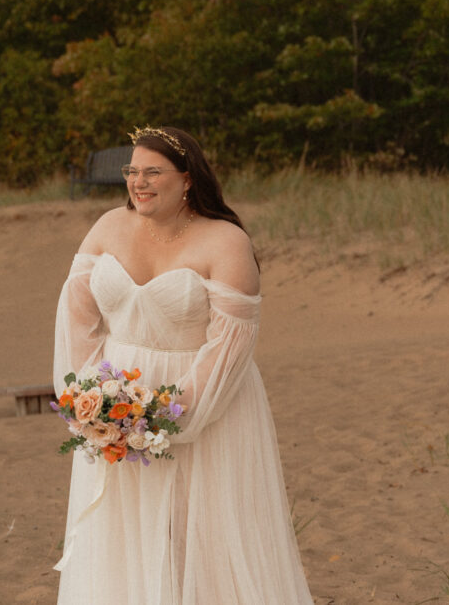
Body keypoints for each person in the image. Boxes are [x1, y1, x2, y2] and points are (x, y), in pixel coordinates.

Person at [53, 127, 313, 604]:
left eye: (153, 172)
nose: (139, 182)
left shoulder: (226, 242)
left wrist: (161, 418)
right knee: (125, 528)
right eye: (133, 172)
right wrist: (97, 404)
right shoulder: (109, 225)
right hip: (116, 405)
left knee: (200, 531)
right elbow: (77, 314)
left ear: (188, 179)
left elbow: (228, 348)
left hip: (208, 408)